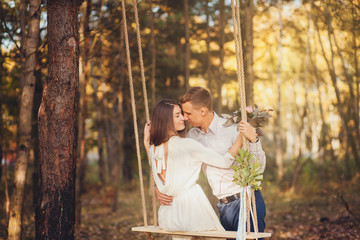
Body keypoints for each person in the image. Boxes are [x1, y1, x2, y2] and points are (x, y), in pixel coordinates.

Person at [155, 87, 266, 234]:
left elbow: (258, 168)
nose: (185, 118)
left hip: (247, 201)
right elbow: (173, 165)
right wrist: (159, 188)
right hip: (223, 206)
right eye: (183, 114)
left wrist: (254, 140)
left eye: (188, 113)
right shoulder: (191, 137)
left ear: (203, 111)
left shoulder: (233, 128)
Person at [144, 99, 245, 232]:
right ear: (165, 120)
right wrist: (242, 135)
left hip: (169, 215)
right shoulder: (187, 145)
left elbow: (156, 169)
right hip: (191, 212)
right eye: (177, 115)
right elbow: (224, 162)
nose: (183, 118)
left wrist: (146, 142)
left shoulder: (153, 150)